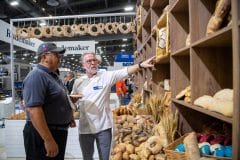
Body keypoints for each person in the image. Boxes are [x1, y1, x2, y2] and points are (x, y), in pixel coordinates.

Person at [71, 52, 155, 160]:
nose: (92, 63)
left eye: (94, 60)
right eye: (88, 61)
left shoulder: (105, 76)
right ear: (83, 65)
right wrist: (73, 104)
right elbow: (74, 99)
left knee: (105, 157)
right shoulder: (78, 82)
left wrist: (140, 65)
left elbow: (125, 71)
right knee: (87, 157)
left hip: (103, 127)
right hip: (85, 127)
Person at [22, 42, 78, 160]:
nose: (60, 58)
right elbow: (33, 110)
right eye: (56, 55)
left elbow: (55, 100)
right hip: (42, 134)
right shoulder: (37, 75)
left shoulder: (53, 76)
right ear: (44, 57)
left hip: (56, 132)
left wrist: (68, 117)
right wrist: (48, 140)